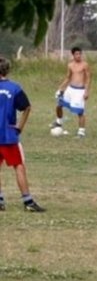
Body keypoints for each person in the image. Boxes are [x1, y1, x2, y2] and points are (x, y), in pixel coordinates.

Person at [0, 57, 45, 212]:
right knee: (18, 166)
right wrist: (20, 126)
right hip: (8, 136)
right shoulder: (14, 88)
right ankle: (28, 201)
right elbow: (27, 107)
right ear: (8, 70)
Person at [53, 47, 92, 138]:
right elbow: (68, 77)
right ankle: (59, 122)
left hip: (80, 91)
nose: (78, 56)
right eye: (76, 54)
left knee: (80, 112)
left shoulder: (85, 65)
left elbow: (89, 78)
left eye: (80, 54)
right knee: (59, 104)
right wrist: (60, 89)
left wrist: (86, 91)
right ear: (73, 55)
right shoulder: (70, 65)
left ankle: (81, 132)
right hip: (70, 89)